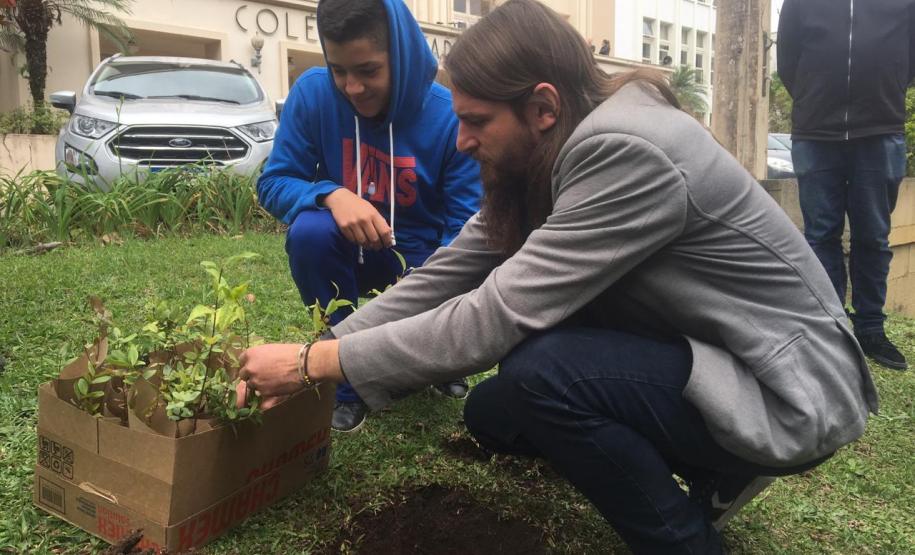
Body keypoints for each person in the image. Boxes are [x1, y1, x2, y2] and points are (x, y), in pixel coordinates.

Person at [241, 1, 878, 552]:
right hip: (704, 350)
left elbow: (494, 314)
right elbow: (446, 274)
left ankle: (689, 538)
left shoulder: (626, 151)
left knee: (541, 374)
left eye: (476, 121)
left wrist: (316, 368)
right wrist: (314, 351)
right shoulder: (553, 149)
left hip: (783, 386)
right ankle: (710, 463)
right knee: (494, 413)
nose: (460, 141)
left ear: (542, 106)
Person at [257, 0, 482, 432]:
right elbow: (273, 182)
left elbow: (465, 229)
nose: (352, 87)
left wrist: (440, 309)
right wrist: (331, 194)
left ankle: (442, 360)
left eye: (368, 70)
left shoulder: (448, 116)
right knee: (310, 233)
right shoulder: (313, 94)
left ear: (401, 54)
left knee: (453, 262)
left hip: (421, 260)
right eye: (339, 70)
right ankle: (345, 386)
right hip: (349, 250)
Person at [777, 0, 914, 371]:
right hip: (815, 132)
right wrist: (812, 96)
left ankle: (870, 328)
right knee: (821, 234)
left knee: (873, 235)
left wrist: (887, 88)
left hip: (880, 129)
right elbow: (787, 61)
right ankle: (831, 326)